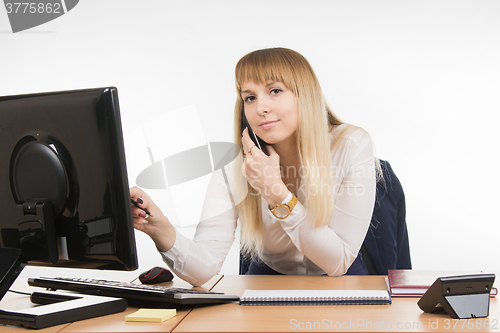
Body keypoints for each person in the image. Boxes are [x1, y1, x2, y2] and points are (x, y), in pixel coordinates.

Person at [130, 47, 377, 287]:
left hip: (341, 280)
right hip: (267, 282)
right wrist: (161, 230)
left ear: (305, 94)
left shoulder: (351, 145)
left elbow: (338, 262)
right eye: (250, 97)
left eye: (275, 90)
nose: (260, 108)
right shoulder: (233, 166)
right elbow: (204, 269)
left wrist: (275, 193)